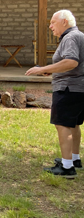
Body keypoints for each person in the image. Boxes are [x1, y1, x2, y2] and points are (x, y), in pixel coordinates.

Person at [25, 10, 84, 178]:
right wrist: (52, 71)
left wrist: (42, 69)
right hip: (78, 88)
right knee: (73, 124)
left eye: (53, 22)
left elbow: (71, 61)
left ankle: (67, 168)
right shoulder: (80, 36)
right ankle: (74, 159)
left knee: (63, 125)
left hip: (68, 89)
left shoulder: (70, 38)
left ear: (64, 22)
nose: (50, 26)